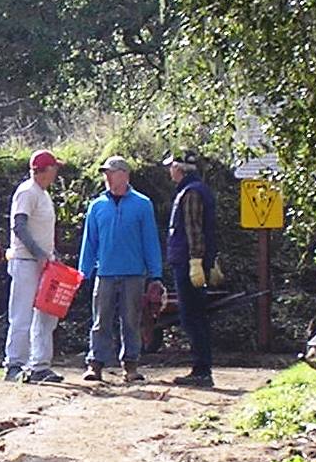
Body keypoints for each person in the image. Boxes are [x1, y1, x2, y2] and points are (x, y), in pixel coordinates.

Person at [76, 156, 163, 384]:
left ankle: (131, 366)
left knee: (131, 320)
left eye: (111, 172)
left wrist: (155, 275)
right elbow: (90, 242)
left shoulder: (143, 204)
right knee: (100, 320)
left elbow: (150, 241)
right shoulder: (96, 206)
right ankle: (95, 364)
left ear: (124, 174)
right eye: (106, 172)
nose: (106, 176)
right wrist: (83, 273)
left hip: (133, 273)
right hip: (104, 272)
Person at [3, 150, 63, 384]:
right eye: (54, 168)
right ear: (45, 170)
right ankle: (14, 363)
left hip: (42, 262)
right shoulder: (27, 192)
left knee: (47, 314)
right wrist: (38, 253)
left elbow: (41, 230)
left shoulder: (42, 193)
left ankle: (39, 364)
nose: (56, 172)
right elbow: (19, 226)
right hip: (26, 262)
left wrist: (50, 254)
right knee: (22, 314)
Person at [164, 152, 221, 387]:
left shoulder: (191, 193)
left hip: (188, 263)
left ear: (181, 169)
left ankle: (201, 370)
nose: (170, 171)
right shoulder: (197, 189)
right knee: (197, 315)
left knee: (192, 316)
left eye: (172, 166)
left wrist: (196, 261)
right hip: (191, 261)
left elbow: (194, 229)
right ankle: (201, 368)